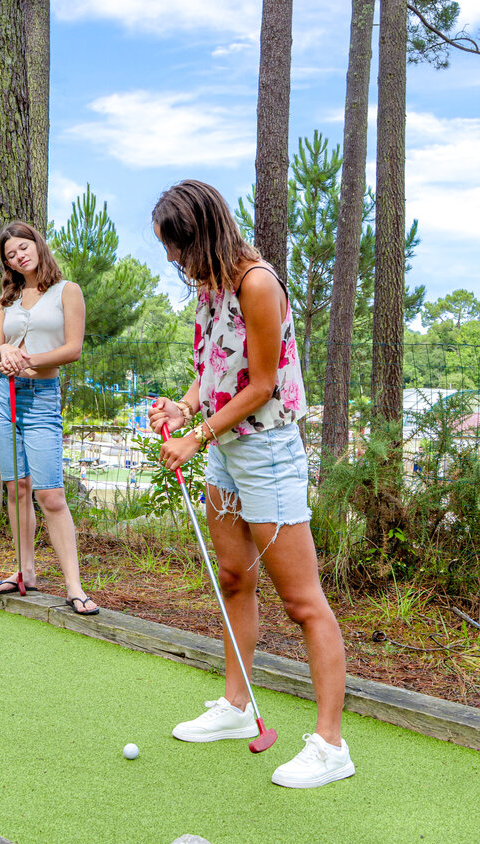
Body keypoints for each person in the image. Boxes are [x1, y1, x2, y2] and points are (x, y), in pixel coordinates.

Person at [147, 179, 352, 788]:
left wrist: (195, 435)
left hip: (266, 454)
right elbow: (212, 369)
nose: (172, 258)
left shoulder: (257, 284)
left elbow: (261, 386)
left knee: (302, 601)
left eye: (176, 246)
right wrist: (185, 407)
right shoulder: (211, 287)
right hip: (226, 453)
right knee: (234, 578)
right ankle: (237, 708)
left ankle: (331, 745)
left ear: (202, 234)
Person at [0, 221, 98, 616]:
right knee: (17, 488)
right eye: (11, 255)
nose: (19, 257)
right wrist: (4, 353)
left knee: (50, 495)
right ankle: (24, 572)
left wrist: (26, 359)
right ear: (7, 264)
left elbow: (73, 349)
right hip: (2, 395)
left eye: (23, 247)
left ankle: (74, 587)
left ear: (37, 245)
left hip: (42, 397)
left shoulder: (67, 291)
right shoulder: (7, 300)